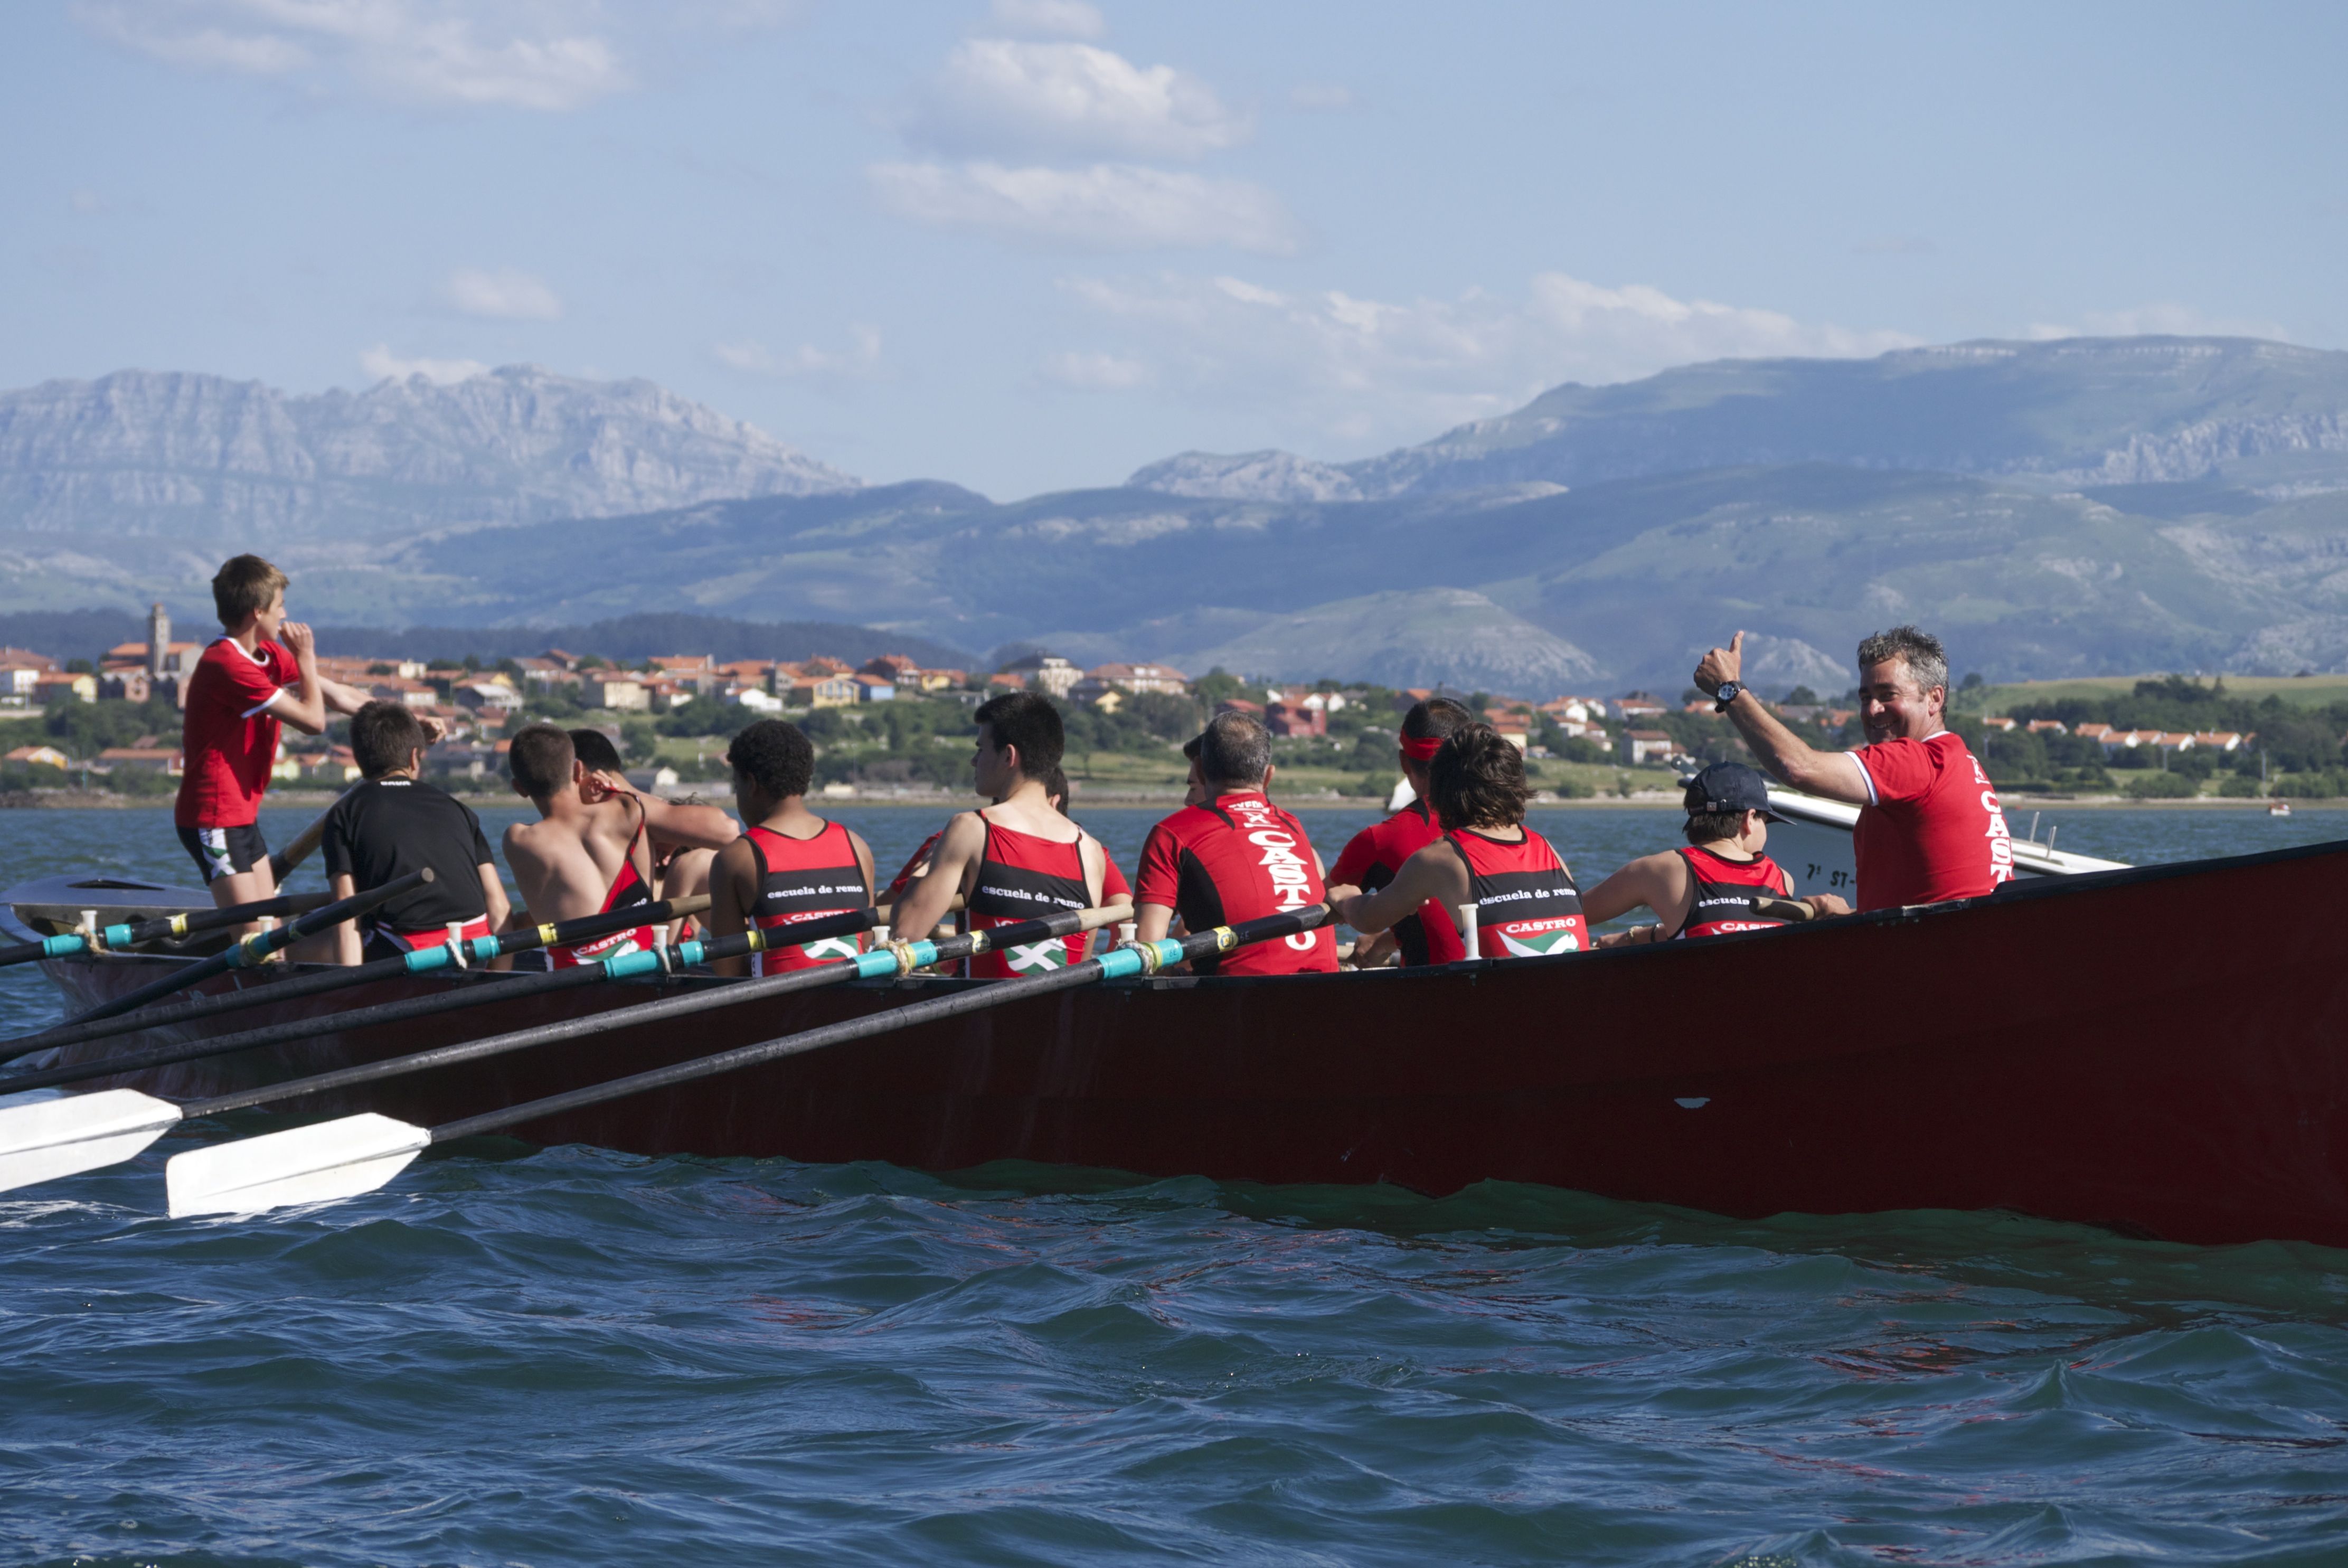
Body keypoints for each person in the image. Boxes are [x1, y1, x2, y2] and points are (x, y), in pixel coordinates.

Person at [174, 554, 430, 914]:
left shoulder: (268, 655)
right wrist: (306, 656)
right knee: (253, 933)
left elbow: (340, 696)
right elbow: (313, 721)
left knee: (268, 924)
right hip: (213, 816)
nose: (285, 614)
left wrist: (411, 721)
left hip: (241, 814)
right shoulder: (227, 664)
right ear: (258, 612)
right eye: (280, 605)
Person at [1693, 625, 2014, 911]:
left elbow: (1798, 768)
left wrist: (1729, 689)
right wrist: (1850, 917)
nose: (1873, 710)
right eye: (1865, 697)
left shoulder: (1917, 762)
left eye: (1888, 695)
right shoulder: (1957, 760)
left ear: (1934, 699)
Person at [890, 691, 1117, 975]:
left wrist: (928, 865)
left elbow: (905, 934)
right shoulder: (1090, 850)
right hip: (1060, 1002)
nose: (974, 761)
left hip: (982, 1003)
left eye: (981, 749)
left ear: (1008, 756)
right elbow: (1081, 960)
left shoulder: (972, 828)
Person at [1329, 723, 1586, 961]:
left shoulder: (1439, 857)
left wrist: (1345, 899)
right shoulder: (1546, 847)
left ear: (1441, 792)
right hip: (1572, 989)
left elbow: (1369, 919)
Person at [502, 725, 731, 967]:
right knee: (701, 862)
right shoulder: (627, 811)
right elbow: (727, 831)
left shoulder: (518, 840)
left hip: (574, 986)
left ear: (519, 788)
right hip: (646, 975)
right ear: (578, 770)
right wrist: (618, 792)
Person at [1132, 711, 1339, 975]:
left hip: (1239, 996)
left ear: (1199, 771)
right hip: (1326, 989)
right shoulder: (1292, 826)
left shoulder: (1171, 833)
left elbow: (1147, 955)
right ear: (1268, 776)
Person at [320, 700, 511, 966]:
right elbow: (500, 908)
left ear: (359, 760)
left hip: (405, 952)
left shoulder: (344, 813)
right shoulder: (460, 809)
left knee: (303, 945)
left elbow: (346, 912)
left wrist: (351, 984)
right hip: (475, 949)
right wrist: (498, 977)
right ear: (414, 757)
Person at [1581, 761, 1849, 945]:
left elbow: (1571, 916)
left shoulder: (1661, 870)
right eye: (1766, 822)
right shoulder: (1782, 878)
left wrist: (1635, 937)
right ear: (1750, 819)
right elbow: (1736, 930)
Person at [706, 719, 875, 978]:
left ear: (751, 783)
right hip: (855, 997)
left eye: (736, 785)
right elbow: (865, 941)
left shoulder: (736, 858)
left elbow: (727, 970)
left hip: (780, 1001)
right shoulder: (857, 846)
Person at [1327, 696, 1475, 967]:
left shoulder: (1379, 839)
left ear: (1404, 762)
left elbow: (1317, 905)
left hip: (1432, 989)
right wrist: (1387, 940)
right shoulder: (1507, 828)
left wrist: (1356, 908)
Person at [568, 728, 734, 933]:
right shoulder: (657, 814)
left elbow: (728, 832)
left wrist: (624, 799)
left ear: (579, 771)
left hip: (652, 943)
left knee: (699, 862)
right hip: (633, 939)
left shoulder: (653, 816)